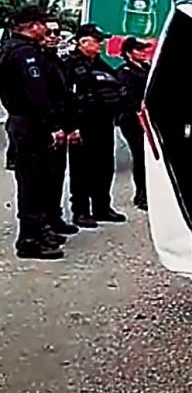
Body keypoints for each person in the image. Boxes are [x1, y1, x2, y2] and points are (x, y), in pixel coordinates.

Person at [0, 5, 66, 259]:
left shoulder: (22, 49)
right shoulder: (23, 52)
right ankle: (29, 240)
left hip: (27, 123)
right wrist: (53, 126)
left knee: (40, 181)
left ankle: (39, 231)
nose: (46, 29)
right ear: (32, 25)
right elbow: (37, 94)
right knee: (32, 183)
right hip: (30, 125)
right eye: (42, 24)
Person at [65, 24, 127, 228]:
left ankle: (102, 207)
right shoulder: (70, 65)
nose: (100, 44)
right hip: (83, 124)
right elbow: (65, 98)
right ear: (82, 42)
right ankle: (81, 211)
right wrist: (71, 126)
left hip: (103, 123)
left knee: (104, 166)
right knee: (82, 169)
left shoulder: (101, 65)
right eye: (97, 40)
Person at [39, 20, 80, 236]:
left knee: (57, 176)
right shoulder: (36, 60)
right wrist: (53, 126)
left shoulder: (58, 61)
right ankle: (44, 224)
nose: (53, 36)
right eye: (49, 32)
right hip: (45, 128)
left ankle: (55, 218)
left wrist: (71, 126)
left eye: (57, 32)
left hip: (62, 125)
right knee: (43, 179)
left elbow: (66, 96)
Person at [115, 37, 152, 210]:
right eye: (139, 49)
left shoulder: (147, 69)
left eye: (144, 49)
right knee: (140, 156)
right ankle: (141, 194)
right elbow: (127, 98)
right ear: (129, 53)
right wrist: (139, 108)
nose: (143, 53)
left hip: (150, 119)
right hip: (133, 119)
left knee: (149, 158)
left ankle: (149, 191)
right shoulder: (125, 72)